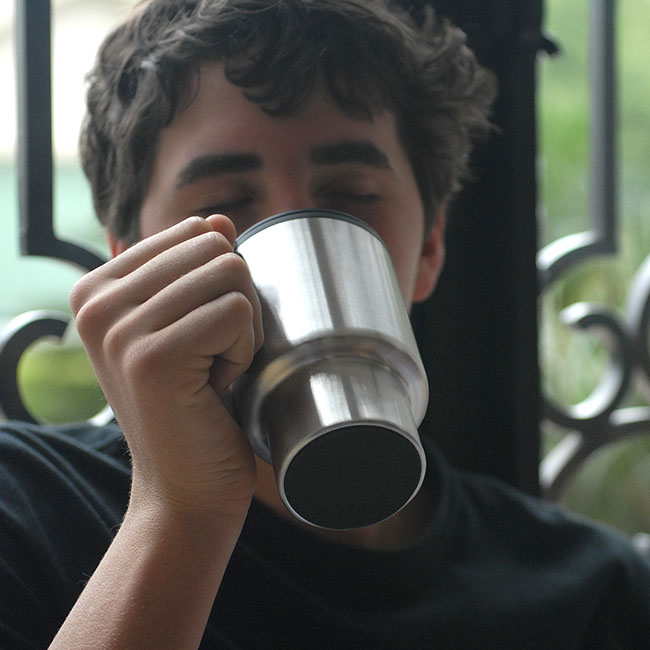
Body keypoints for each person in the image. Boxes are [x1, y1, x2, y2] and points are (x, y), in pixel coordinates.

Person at [0, 0, 649, 647]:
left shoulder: (594, 593)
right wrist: (178, 511)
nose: (294, 235)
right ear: (133, 262)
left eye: (351, 195)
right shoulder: (24, 510)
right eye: (224, 203)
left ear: (430, 248)